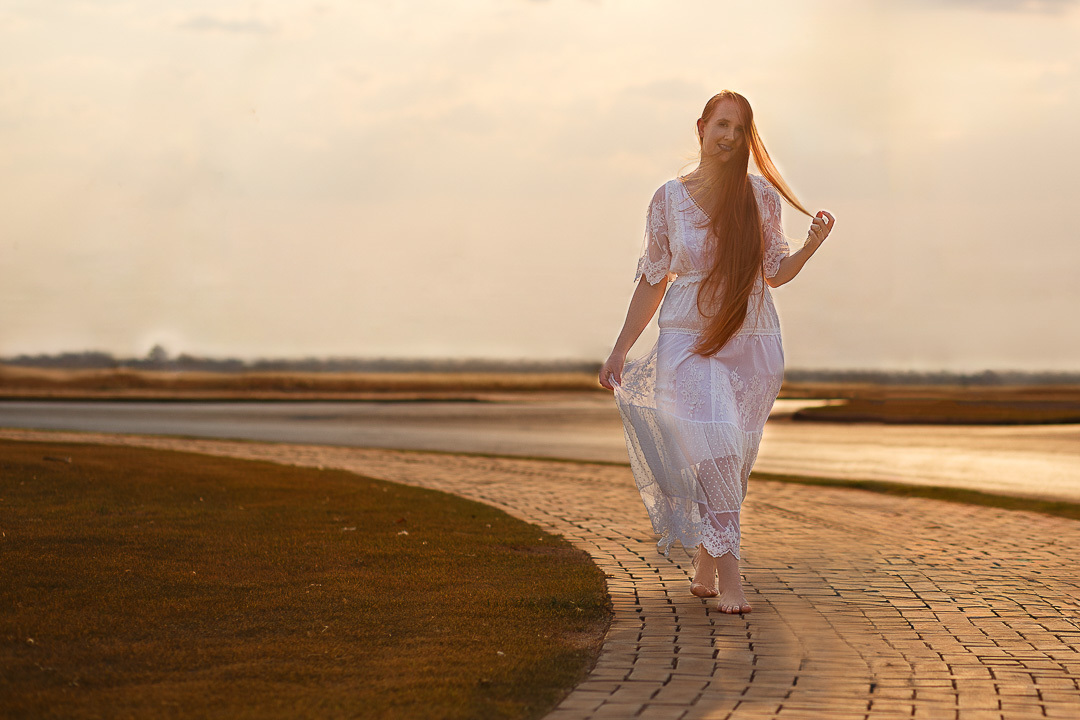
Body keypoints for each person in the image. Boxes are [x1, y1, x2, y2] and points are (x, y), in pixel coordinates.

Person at [598, 90, 835, 614]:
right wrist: (620, 351)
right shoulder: (668, 199)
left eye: (740, 129)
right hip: (688, 339)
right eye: (722, 124)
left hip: (752, 340)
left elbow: (774, 273)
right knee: (720, 448)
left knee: (734, 461)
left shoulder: (760, 196)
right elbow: (652, 279)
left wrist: (810, 247)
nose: (729, 136)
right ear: (702, 127)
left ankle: (706, 563)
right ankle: (732, 581)